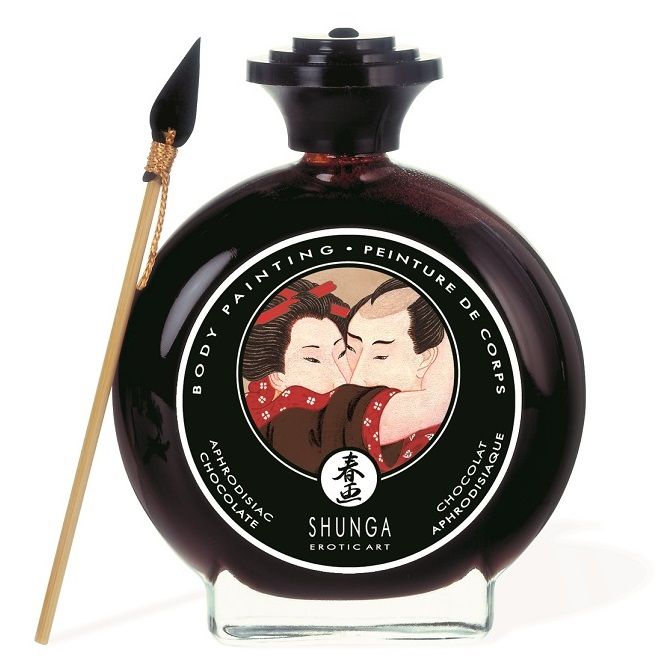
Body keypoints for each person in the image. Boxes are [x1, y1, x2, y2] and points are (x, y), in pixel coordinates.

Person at [242, 276, 454, 475]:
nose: (347, 378)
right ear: (276, 376)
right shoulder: (286, 423)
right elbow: (433, 403)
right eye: (313, 359)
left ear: (425, 358)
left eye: (343, 353)